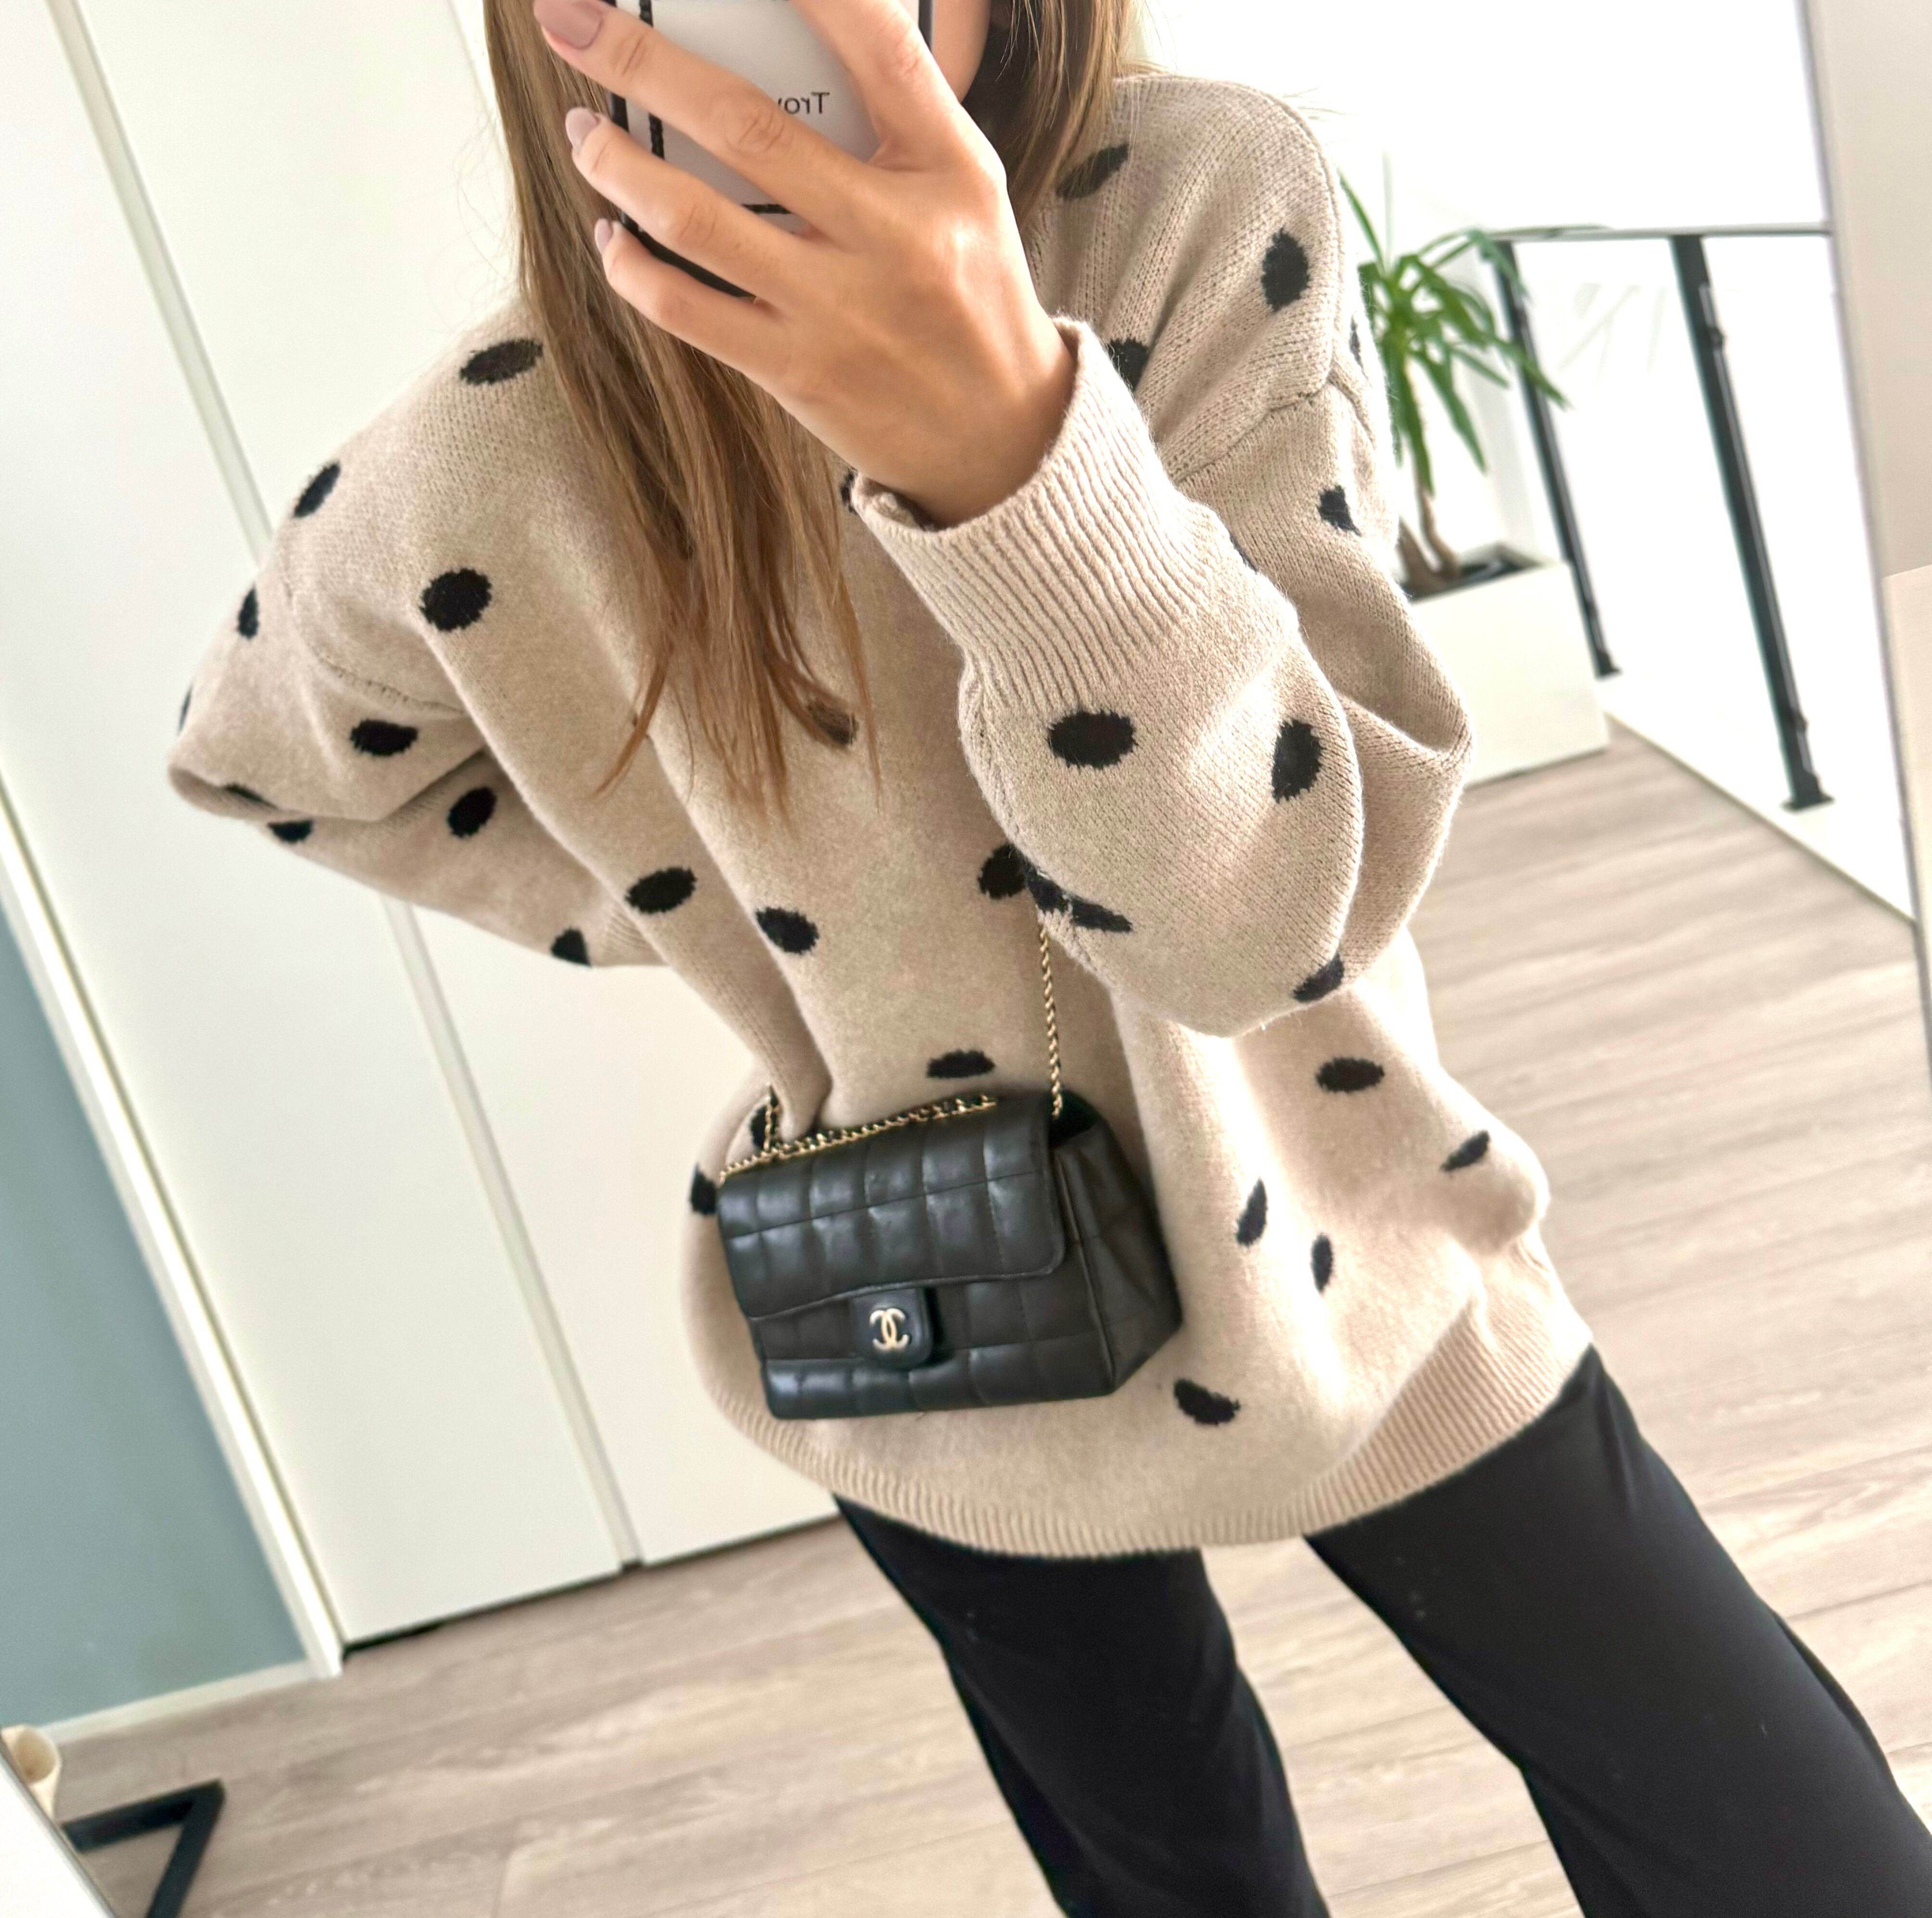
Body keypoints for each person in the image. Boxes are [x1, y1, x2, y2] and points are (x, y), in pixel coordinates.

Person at [167, 1, 1932, 1910]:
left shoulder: (1184, 198)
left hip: (1344, 1238)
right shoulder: (492, 437)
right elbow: (260, 756)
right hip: (925, 1313)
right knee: (1176, 1878)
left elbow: (1254, 928)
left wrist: (1022, 464)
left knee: (1783, 1846)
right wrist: (732, 920)